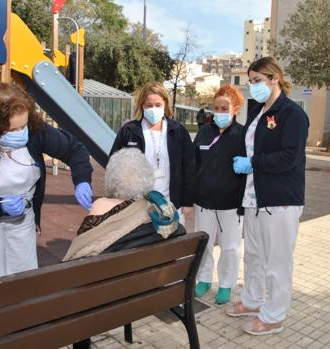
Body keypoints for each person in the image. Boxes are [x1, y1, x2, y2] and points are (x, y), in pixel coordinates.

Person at [0, 83, 93, 283]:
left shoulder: (34, 129)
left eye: (23, 126)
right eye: (13, 129)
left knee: (25, 279)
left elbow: (74, 149)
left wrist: (82, 180)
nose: (21, 133)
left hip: (22, 216)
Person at [63, 148, 185, 349]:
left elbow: (80, 252)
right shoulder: (159, 209)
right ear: (145, 176)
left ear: (112, 178)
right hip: (147, 293)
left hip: (103, 300)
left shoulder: (101, 206)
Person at [227, 57, 309, 335]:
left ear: (274, 78)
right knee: (254, 255)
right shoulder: (258, 112)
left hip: (280, 200)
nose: (253, 87)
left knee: (277, 261)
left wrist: (254, 163)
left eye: (257, 80)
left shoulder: (292, 114)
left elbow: (290, 156)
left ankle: (274, 316)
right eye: (250, 81)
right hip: (253, 197)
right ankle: (252, 300)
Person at [110, 81, 196, 224]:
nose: (153, 109)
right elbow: (114, 165)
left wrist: (187, 202)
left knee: (172, 245)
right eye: (149, 105)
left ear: (165, 104)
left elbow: (189, 167)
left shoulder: (178, 131)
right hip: (138, 206)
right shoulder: (129, 131)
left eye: (158, 105)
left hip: (172, 204)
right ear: (142, 105)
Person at [192, 85, 245, 305]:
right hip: (203, 202)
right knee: (203, 244)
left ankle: (225, 285)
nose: (220, 112)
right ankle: (204, 279)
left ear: (235, 109)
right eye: (216, 108)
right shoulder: (205, 131)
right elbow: (194, 162)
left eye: (225, 108)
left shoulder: (242, 134)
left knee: (230, 247)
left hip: (231, 203)